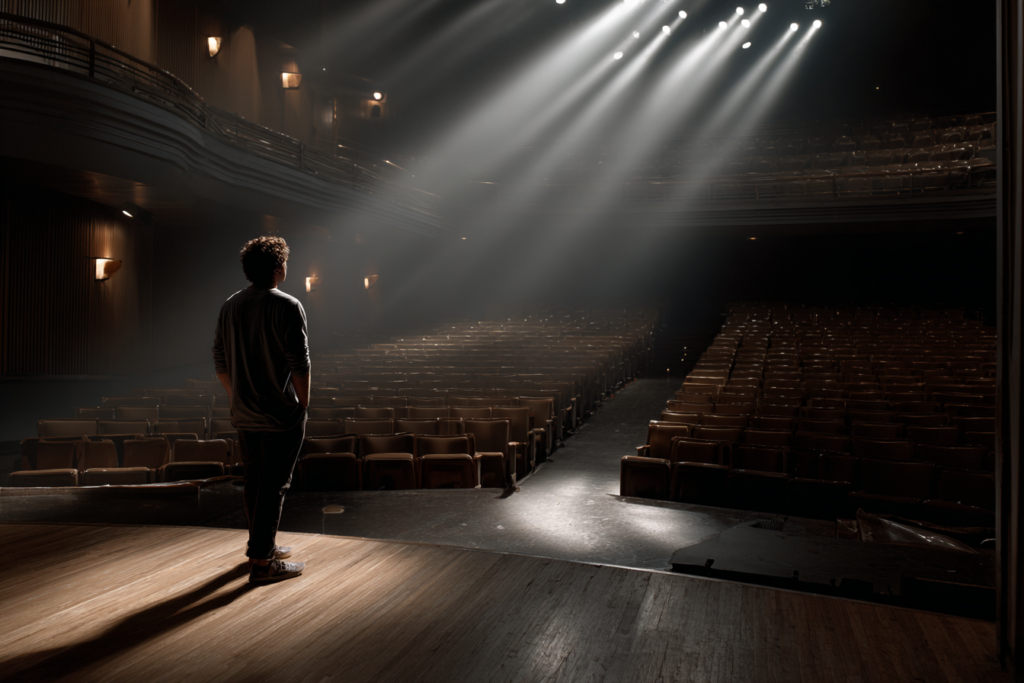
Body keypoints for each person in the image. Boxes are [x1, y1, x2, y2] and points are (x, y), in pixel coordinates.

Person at [213, 236, 310, 584]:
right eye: (284, 262)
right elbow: (299, 364)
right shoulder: (287, 305)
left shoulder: (230, 305)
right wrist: (303, 404)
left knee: (254, 483)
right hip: (279, 414)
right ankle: (263, 563)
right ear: (277, 268)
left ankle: (261, 546)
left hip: (244, 412)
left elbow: (220, 359)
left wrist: (235, 394)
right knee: (274, 485)